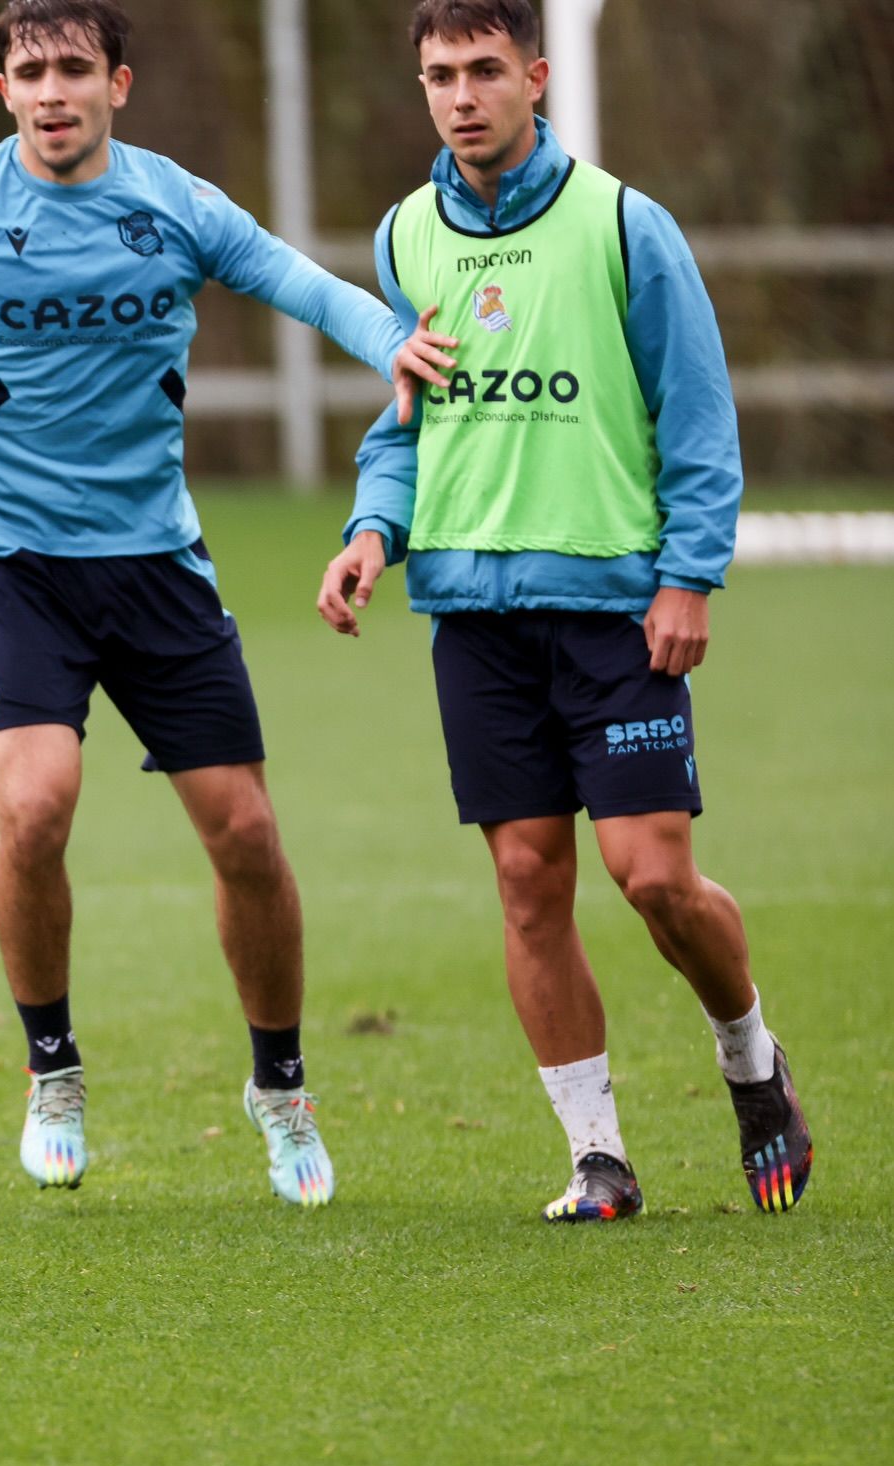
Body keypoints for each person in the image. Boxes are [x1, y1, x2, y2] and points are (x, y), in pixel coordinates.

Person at [0, 0, 455, 1204]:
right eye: (28, 72)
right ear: (2, 89)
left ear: (119, 82)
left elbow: (299, 285)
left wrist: (391, 344)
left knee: (250, 839)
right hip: (13, 565)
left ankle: (282, 1088)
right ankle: (52, 1071)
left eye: (73, 69)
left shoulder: (175, 203)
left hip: (159, 565)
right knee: (38, 805)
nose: (52, 91)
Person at [315, 0, 809, 1222]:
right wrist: (374, 530)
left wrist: (689, 575)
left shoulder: (627, 226)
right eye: (440, 74)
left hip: (613, 612)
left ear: (536, 77)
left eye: (486, 70)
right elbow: (408, 419)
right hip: (473, 618)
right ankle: (597, 1156)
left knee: (652, 881)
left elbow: (696, 418)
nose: (462, 95)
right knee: (530, 883)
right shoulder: (404, 236)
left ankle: (752, 1062)